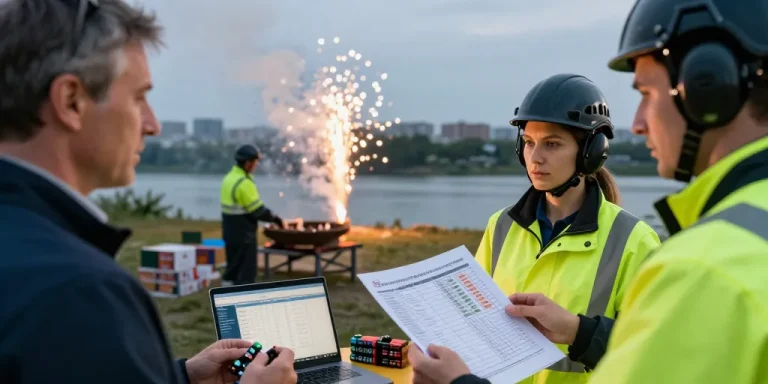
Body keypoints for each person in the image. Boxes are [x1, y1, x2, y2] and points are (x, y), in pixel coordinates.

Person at [412, 0, 768, 383]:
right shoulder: (500, 228)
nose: (638, 122)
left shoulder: (686, 259)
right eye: (529, 143)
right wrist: (580, 332)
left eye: (647, 93)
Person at [0, 1, 296, 383]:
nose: (152, 124)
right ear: (71, 101)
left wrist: (179, 377)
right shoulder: (78, 292)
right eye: (138, 97)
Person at [409, 73, 661, 384]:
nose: (536, 158)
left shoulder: (633, 240)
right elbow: (475, 325)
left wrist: (579, 331)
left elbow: (653, 353)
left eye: (552, 144)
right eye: (528, 143)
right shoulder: (501, 225)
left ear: (591, 153)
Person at [220, 144, 284, 286]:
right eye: (255, 162)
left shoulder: (229, 178)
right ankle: (243, 302)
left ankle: (225, 297)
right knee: (246, 272)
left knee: (232, 268)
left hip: (229, 230)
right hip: (244, 234)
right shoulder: (244, 183)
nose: (256, 165)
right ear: (248, 163)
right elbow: (258, 211)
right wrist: (275, 218)